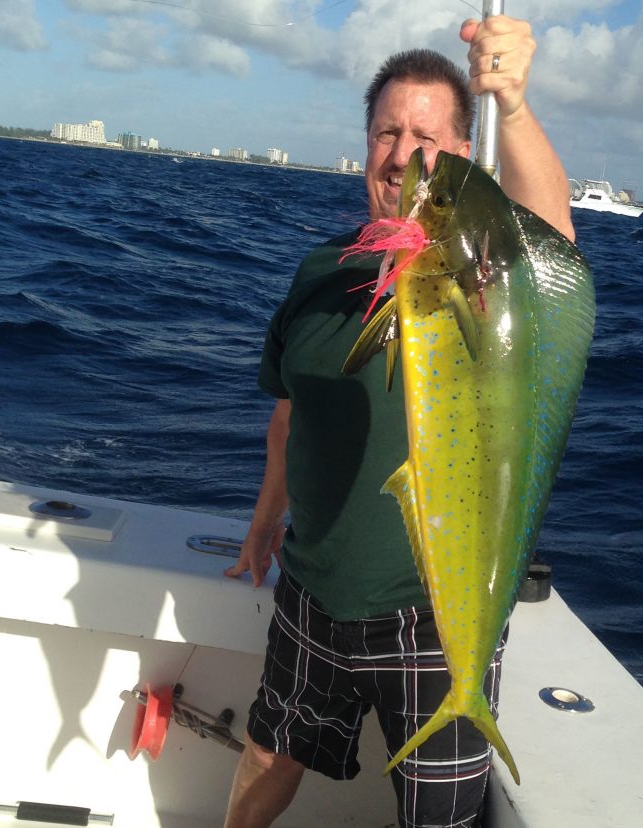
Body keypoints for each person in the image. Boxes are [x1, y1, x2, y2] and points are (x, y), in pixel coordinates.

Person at [222, 14, 574, 828]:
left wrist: (512, 106)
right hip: (312, 588)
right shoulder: (320, 271)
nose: (400, 151)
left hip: (433, 615)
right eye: (386, 131)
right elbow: (289, 411)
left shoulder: (483, 270)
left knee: (439, 813)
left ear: (458, 152)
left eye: (424, 133)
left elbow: (553, 235)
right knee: (269, 752)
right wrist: (265, 520)